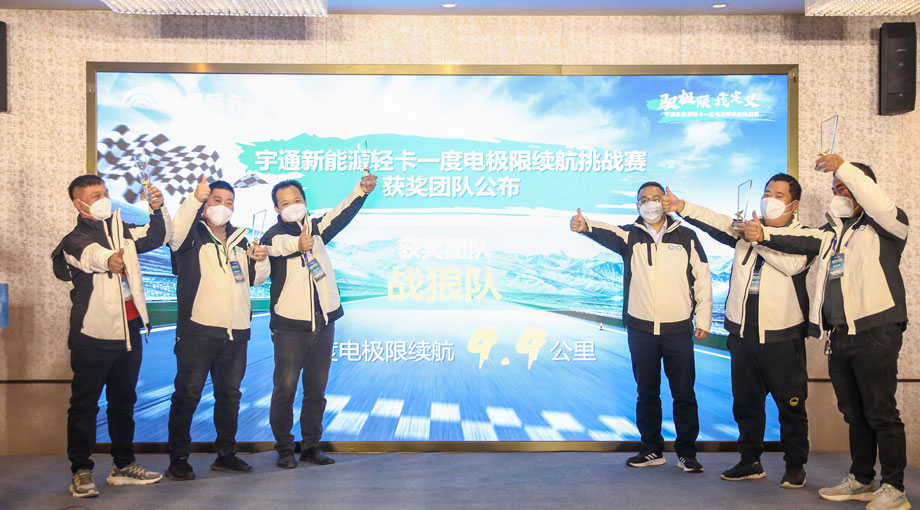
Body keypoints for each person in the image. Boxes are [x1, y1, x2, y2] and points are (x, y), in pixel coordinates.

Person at [745, 155, 909, 510]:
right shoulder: (831, 233)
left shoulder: (888, 224)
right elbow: (797, 241)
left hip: (876, 329)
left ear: (865, 190)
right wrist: (764, 234)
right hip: (840, 334)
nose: (839, 193)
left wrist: (843, 167)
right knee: (854, 413)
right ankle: (861, 479)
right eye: (835, 188)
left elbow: (874, 199)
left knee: (881, 411)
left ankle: (894, 487)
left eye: (846, 188)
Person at [663, 174, 812, 488]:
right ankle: (749, 461)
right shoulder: (745, 231)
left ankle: (795, 465)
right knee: (746, 404)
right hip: (743, 336)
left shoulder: (803, 235)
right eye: (767, 193)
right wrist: (681, 206)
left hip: (782, 338)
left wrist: (761, 238)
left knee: (791, 405)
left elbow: (793, 266)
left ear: (794, 204)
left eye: (779, 195)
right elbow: (715, 221)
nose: (770, 199)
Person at [570, 181, 712, 473]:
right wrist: (585, 226)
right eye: (643, 199)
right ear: (637, 205)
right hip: (641, 328)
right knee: (647, 392)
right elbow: (606, 231)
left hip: (678, 329)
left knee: (684, 393)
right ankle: (651, 449)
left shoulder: (687, 236)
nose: (650, 203)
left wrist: (704, 319)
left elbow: (702, 278)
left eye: (655, 198)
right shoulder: (630, 235)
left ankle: (687, 453)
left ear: (665, 202)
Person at [52, 175, 166, 497]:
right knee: (85, 405)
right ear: (78, 204)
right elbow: (88, 255)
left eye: (104, 192)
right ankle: (81, 471)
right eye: (94, 195)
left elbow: (155, 236)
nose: (103, 198)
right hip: (93, 335)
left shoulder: (123, 230)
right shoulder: (74, 239)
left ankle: (123, 465)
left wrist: (157, 209)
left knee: (123, 402)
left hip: (128, 331)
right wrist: (109, 259)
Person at [260, 174, 377, 468]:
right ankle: (285, 448)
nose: (293, 205)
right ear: (277, 209)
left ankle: (311, 446)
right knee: (285, 390)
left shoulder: (317, 229)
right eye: (285, 203)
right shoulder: (272, 236)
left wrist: (360, 191)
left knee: (316, 391)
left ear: (305, 202)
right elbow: (281, 246)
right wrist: (298, 243)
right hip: (290, 327)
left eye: (297, 200)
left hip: (323, 323)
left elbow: (341, 213)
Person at [164, 176, 270, 481]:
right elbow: (174, 234)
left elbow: (256, 279)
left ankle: (226, 454)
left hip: (236, 332)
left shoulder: (241, 239)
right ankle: (178, 459)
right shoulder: (190, 235)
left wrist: (261, 261)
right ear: (205, 204)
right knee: (188, 394)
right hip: (198, 330)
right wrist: (194, 199)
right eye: (216, 200)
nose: (223, 207)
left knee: (230, 396)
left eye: (229, 202)